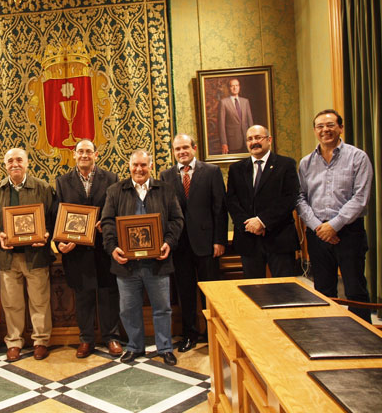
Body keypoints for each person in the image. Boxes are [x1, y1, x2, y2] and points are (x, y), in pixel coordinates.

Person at [101, 149, 183, 365]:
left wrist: (168, 243)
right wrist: (113, 249)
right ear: (129, 166)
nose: (139, 169)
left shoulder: (165, 190)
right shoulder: (115, 191)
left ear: (150, 166)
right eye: (135, 165)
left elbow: (177, 220)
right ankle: (135, 347)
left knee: (162, 308)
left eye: (143, 165)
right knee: (128, 309)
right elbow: (107, 222)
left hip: (158, 262)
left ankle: (165, 347)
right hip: (126, 264)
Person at [297, 109, 373, 322]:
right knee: (323, 290)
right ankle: (329, 338)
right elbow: (300, 198)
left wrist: (334, 226)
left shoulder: (358, 157)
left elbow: (360, 198)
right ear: (314, 130)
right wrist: (318, 227)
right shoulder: (306, 162)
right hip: (317, 234)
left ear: (341, 128)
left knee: (355, 289)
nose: (325, 130)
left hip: (349, 233)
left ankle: (363, 340)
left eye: (330, 125)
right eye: (320, 126)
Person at [0, 148, 56, 362]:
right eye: (10, 161)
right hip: (8, 257)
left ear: (27, 163)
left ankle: (41, 341)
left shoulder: (42, 188)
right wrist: (0, 236)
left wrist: (46, 234)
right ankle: (14, 342)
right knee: (11, 303)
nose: (15, 164)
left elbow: (53, 217)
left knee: (40, 301)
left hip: (36, 255)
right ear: (4, 165)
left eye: (19, 160)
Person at [55, 139, 122, 359]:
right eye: (80, 151)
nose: (85, 155)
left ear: (96, 155)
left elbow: (117, 210)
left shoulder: (111, 179)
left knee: (108, 295)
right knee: (82, 297)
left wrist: (107, 223)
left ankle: (112, 337)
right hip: (77, 252)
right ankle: (86, 340)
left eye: (89, 151)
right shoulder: (62, 182)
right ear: (73, 154)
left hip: (103, 249)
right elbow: (57, 217)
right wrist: (60, 243)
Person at [159, 134, 227, 352]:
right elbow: (165, 212)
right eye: (177, 149)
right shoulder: (166, 175)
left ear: (194, 148)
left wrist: (219, 240)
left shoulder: (212, 172)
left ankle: (213, 333)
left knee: (210, 291)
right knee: (185, 292)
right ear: (173, 152)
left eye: (185, 148)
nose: (181, 152)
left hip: (207, 243)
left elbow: (220, 209)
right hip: (180, 245)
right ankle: (190, 334)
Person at [226, 125, 299, 278]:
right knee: (254, 291)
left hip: (279, 238)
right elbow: (232, 201)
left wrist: (262, 221)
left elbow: (289, 198)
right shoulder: (236, 169)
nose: (254, 142)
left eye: (258, 137)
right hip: (249, 240)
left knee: (285, 291)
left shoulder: (286, 165)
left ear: (269, 140)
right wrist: (249, 225)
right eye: (250, 139)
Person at [218, 78, 254, 154]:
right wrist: (224, 143)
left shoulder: (245, 101)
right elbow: (221, 125)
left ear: (239, 87)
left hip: (247, 141)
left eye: (237, 85)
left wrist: (253, 139)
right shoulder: (223, 103)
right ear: (228, 88)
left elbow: (250, 122)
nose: (235, 88)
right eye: (232, 86)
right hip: (232, 142)